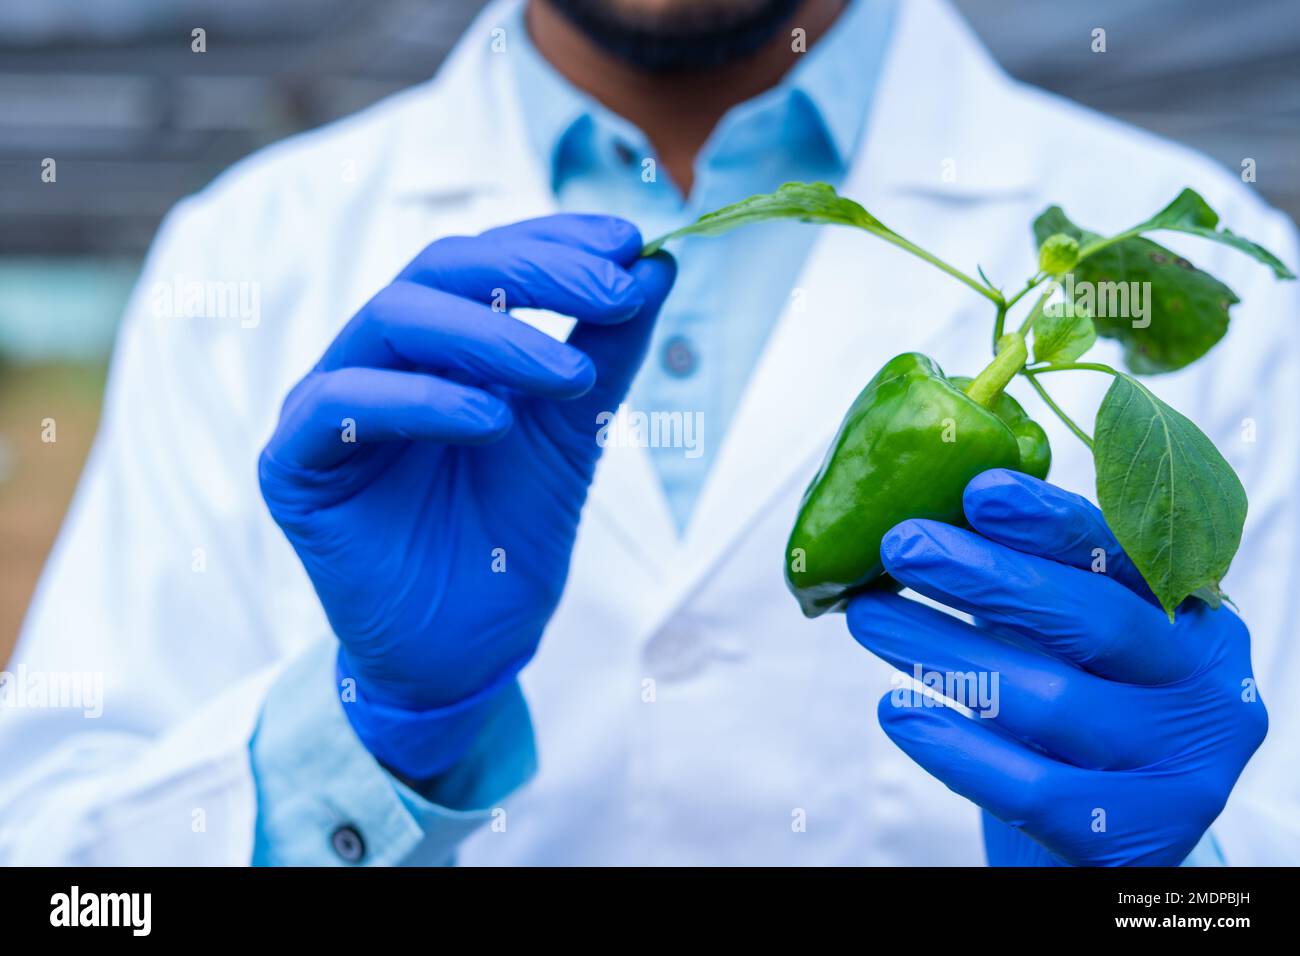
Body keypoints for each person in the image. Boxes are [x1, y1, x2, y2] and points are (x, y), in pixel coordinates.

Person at [1, 0, 1296, 866]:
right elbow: (66, 860)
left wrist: (1180, 884)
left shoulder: (1192, 271)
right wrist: (367, 734)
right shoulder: (252, 249)